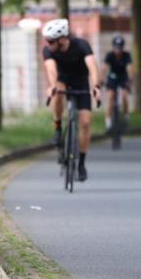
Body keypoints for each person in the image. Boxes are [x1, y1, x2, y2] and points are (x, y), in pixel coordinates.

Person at [42, 18, 101, 182]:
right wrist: (52, 86)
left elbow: (92, 66)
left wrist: (96, 86)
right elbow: (51, 69)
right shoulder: (48, 51)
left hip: (81, 81)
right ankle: (57, 127)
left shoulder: (81, 45)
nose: (48, 44)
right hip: (62, 80)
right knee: (58, 93)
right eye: (47, 41)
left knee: (85, 123)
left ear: (62, 39)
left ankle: (81, 163)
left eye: (51, 41)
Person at [103, 35, 134, 132]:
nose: (118, 50)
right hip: (112, 77)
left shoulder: (127, 55)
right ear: (113, 47)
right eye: (116, 47)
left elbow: (130, 68)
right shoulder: (109, 55)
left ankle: (126, 117)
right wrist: (102, 79)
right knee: (110, 97)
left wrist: (129, 80)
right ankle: (108, 124)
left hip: (123, 78)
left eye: (120, 47)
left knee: (124, 96)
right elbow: (104, 68)